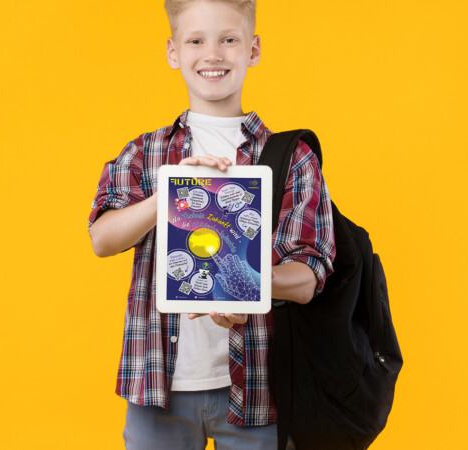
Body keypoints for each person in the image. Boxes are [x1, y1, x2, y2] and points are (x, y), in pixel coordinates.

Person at [88, 1, 335, 448]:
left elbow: (308, 276)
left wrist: (251, 286)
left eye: (229, 39)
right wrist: (170, 193)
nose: (213, 53)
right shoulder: (146, 154)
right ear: (173, 52)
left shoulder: (291, 157)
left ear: (253, 50)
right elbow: (102, 238)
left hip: (258, 390)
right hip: (156, 385)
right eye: (196, 40)